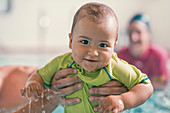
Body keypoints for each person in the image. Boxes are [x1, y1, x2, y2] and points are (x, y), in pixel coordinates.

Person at [16, 2, 153, 113]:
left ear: (114, 45)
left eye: (103, 45)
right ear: (70, 41)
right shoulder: (62, 63)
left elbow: (146, 87)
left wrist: (123, 100)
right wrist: (33, 84)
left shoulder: (115, 67)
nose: (93, 52)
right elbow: (38, 75)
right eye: (85, 42)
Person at [117, 13, 169, 89]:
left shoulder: (159, 54)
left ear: (148, 34)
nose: (133, 38)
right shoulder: (121, 55)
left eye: (138, 32)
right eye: (130, 32)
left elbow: (161, 84)